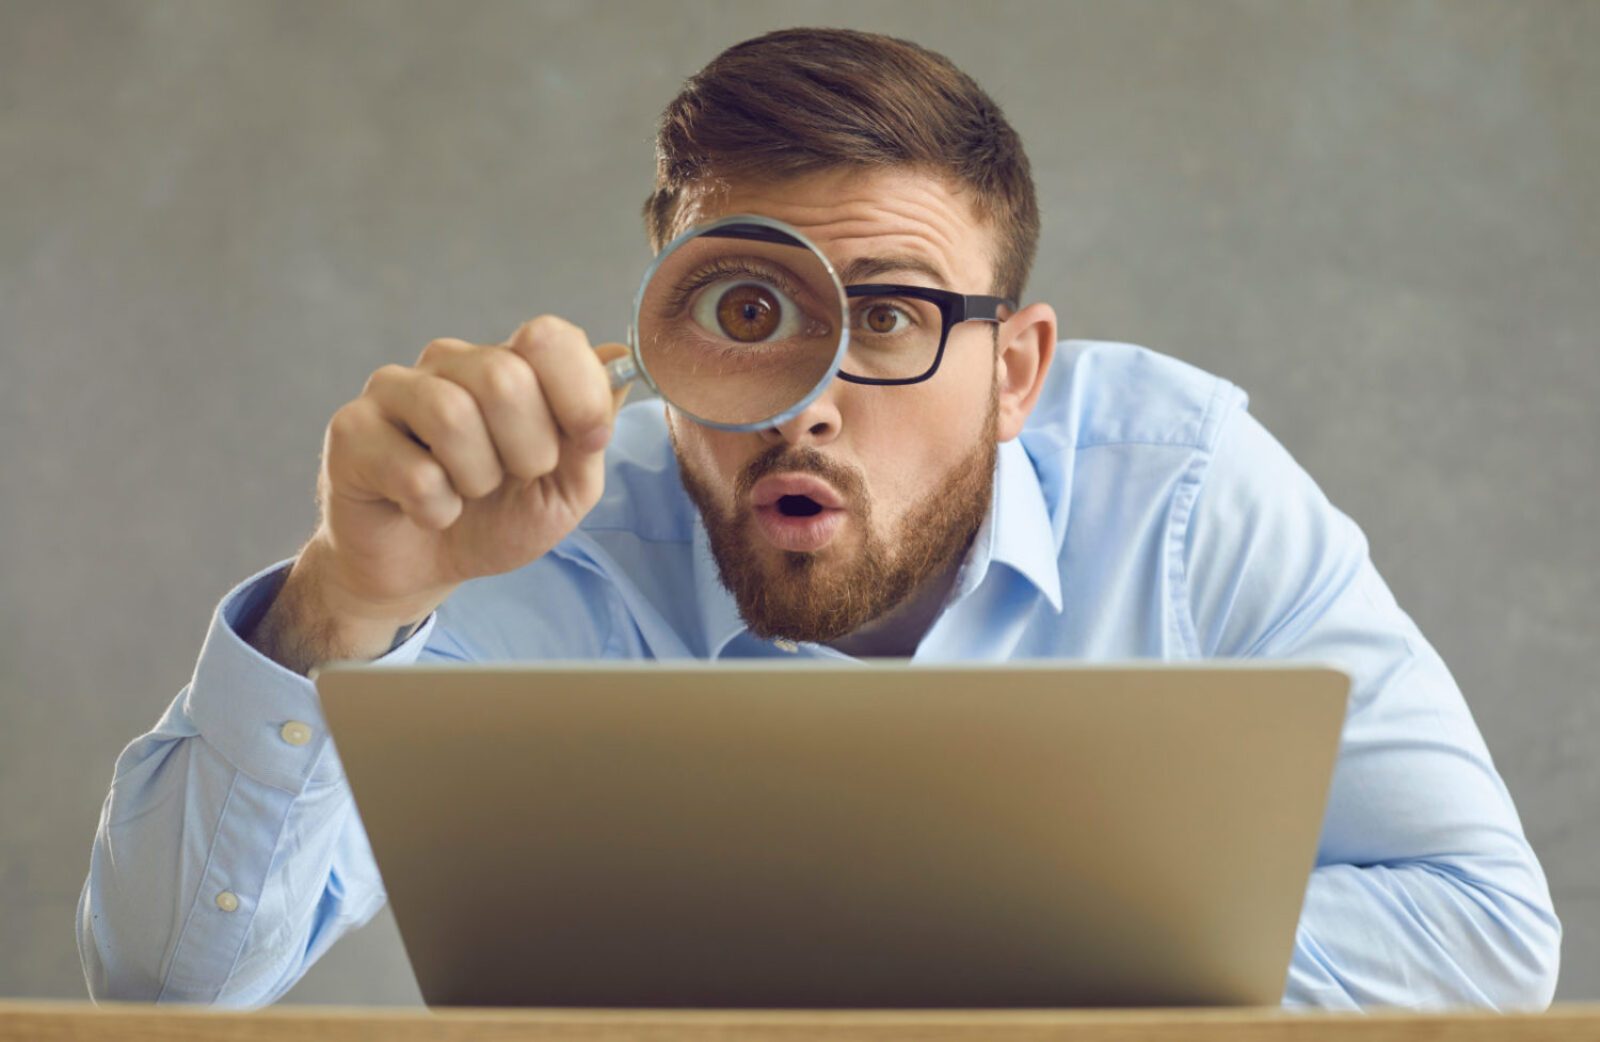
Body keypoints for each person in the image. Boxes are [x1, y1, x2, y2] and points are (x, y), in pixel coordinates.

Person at [78, 27, 1559, 1010]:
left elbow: (1489, 933)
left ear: (1018, 373)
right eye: (748, 309)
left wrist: (945, 962)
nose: (810, 402)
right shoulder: (540, 532)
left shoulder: (1184, 492)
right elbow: (166, 997)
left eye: (899, 310)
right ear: (656, 334)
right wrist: (349, 596)